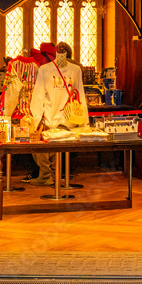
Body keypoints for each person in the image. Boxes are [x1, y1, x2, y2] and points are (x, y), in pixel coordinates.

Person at [28, 42, 88, 186]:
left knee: (57, 149)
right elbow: (39, 96)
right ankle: (47, 175)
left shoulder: (75, 70)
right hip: (50, 114)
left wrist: (85, 122)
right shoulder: (44, 69)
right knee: (42, 147)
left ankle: (51, 176)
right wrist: (36, 120)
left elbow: (80, 93)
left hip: (68, 117)